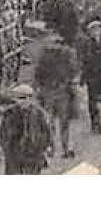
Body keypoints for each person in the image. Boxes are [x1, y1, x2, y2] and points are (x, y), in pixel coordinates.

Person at [33, 32, 79, 160]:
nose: (55, 46)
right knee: (49, 121)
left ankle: (65, 147)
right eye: (54, 43)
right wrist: (38, 89)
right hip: (49, 92)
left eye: (58, 43)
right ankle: (51, 147)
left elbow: (74, 71)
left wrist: (71, 84)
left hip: (61, 91)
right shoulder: (45, 57)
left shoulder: (67, 55)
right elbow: (38, 75)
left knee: (63, 121)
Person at [0, 84, 53, 174]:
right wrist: (7, 148)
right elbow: (3, 133)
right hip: (15, 152)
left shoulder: (38, 114)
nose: (23, 101)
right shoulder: (9, 114)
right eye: (19, 98)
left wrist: (45, 146)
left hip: (33, 152)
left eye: (26, 98)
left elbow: (46, 131)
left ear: (31, 99)